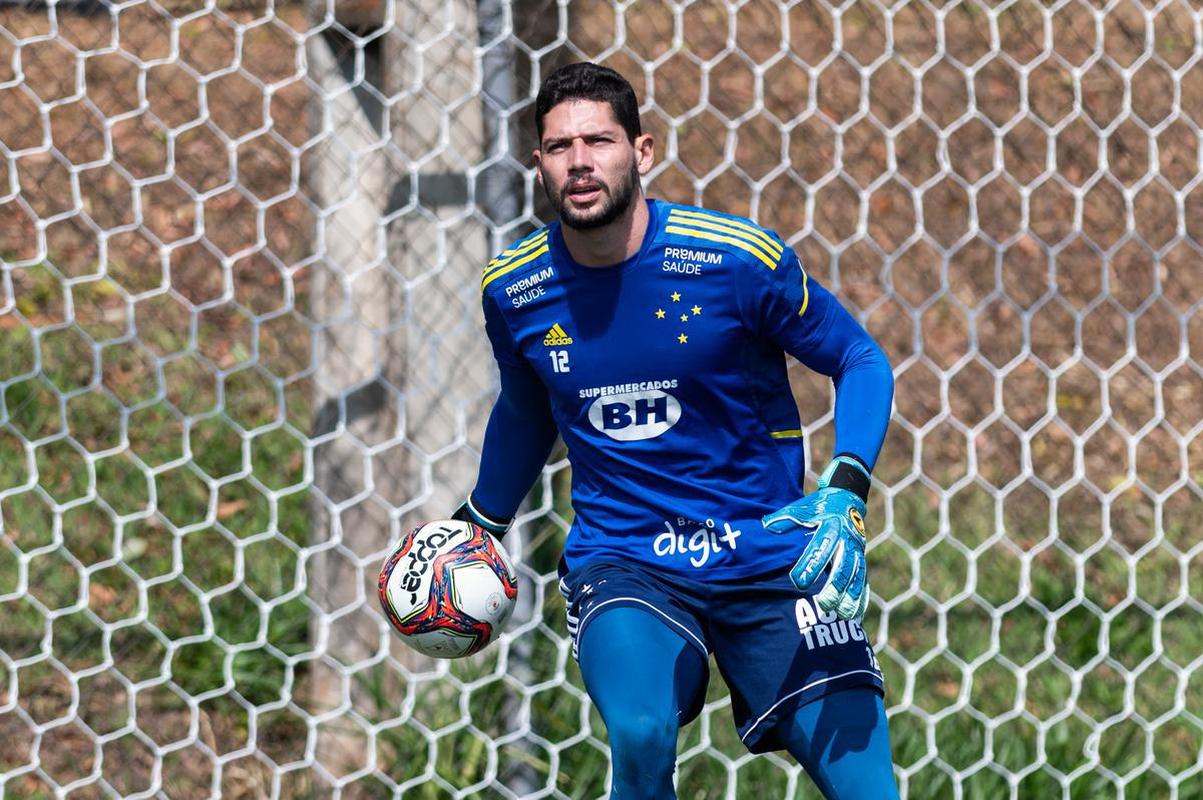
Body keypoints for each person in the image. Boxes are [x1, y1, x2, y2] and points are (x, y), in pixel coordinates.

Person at [451, 62, 899, 799]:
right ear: (537, 165)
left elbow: (857, 357)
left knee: (868, 791)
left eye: (598, 140)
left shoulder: (734, 261)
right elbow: (528, 406)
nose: (579, 161)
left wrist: (846, 486)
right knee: (639, 729)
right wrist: (479, 519)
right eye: (559, 147)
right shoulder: (515, 287)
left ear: (643, 151)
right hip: (627, 560)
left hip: (772, 550)